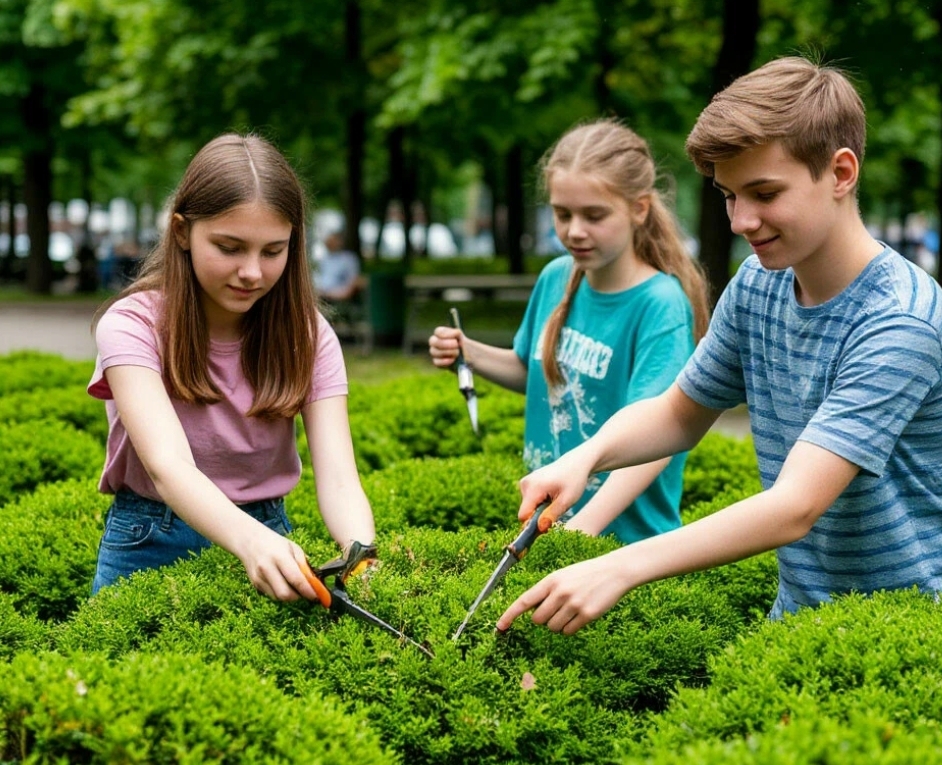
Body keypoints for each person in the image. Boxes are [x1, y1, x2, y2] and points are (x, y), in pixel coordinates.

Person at [496, 56, 942, 635]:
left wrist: (618, 567)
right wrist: (586, 458)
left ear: (841, 172)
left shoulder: (900, 320)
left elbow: (794, 507)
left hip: (914, 633)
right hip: (798, 621)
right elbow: (680, 413)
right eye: (729, 195)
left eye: (764, 192)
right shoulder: (759, 283)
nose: (740, 220)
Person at [87, 133, 375, 601]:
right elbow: (168, 465)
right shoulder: (131, 324)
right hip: (150, 540)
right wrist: (250, 542)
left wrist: (362, 556)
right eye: (229, 247)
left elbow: (340, 476)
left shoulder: (308, 332)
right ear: (181, 231)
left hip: (269, 530)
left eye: (273, 251)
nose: (252, 273)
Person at [429, 119, 710, 544]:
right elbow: (539, 374)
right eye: (562, 214)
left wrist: (582, 531)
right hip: (549, 526)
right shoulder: (556, 277)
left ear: (639, 208)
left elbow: (657, 439)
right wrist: (469, 354)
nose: (575, 230)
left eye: (594, 215)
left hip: (622, 545)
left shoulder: (659, 305)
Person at [314, 230, 362, 302]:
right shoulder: (324, 259)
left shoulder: (349, 259)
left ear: (340, 242)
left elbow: (353, 283)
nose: (329, 243)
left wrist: (330, 294)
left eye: (332, 241)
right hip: (322, 296)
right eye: (328, 241)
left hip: (338, 299)